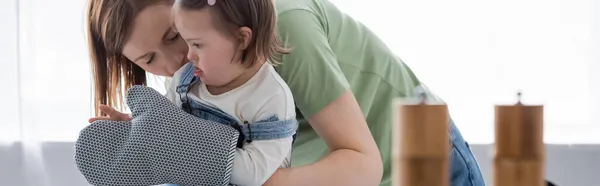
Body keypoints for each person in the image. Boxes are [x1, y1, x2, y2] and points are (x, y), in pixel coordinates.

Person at [86, 0, 485, 185]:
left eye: (175, 36)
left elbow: (365, 165)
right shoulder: (197, 74)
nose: (177, 61)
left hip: (419, 154)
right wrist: (150, 135)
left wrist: (262, 180)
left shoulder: (282, 28)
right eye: (148, 58)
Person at [89, 0, 298, 185]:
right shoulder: (185, 79)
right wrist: (134, 127)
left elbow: (254, 173)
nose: (182, 58)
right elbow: (163, 124)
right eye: (149, 59)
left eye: (174, 36)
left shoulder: (271, 97)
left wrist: (186, 149)